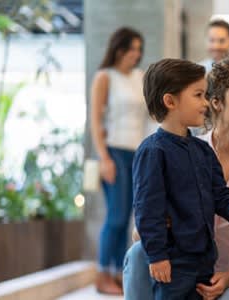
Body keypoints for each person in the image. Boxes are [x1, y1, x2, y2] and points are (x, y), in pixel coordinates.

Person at [123, 50, 229, 300]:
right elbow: (147, 208)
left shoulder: (205, 153)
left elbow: (221, 196)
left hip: (211, 270)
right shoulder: (155, 150)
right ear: (217, 101)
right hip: (172, 260)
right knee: (139, 253)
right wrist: (158, 252)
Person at [89, 27, 147, 295]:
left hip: (138, 153)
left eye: (139, 49)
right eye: (131, 48)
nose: (135, 54)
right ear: (119, 48)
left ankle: (119, 274)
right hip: (113, 151)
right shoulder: (105, 77)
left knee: (132, 218)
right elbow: (95, 121)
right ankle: (102, 274)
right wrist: (104, 158)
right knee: (116, 217)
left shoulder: (140, 77)